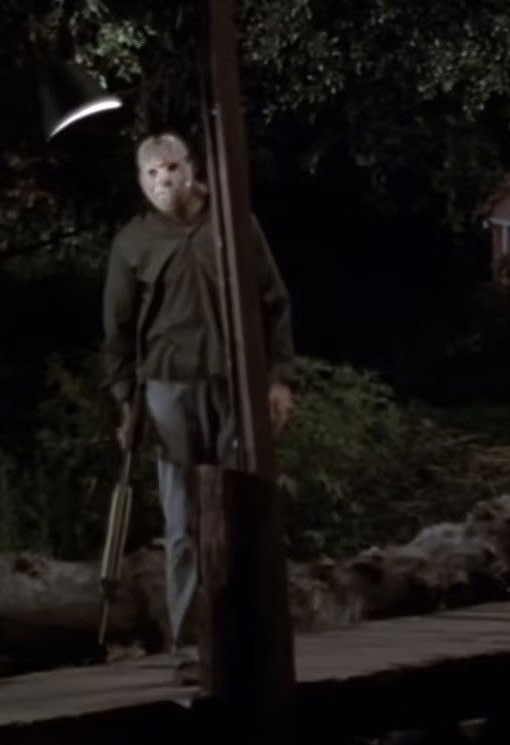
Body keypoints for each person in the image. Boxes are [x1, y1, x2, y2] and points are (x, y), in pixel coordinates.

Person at [101, 132, 297, 682]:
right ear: (140, 181)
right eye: (151, 174)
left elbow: (274, 302)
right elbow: (117, 331)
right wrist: (126, 402)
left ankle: (248, 633)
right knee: (182, 520)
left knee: (242, 506)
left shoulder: (233, 224)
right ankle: (188, 645)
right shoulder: (133, 242)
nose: (163, 182)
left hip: (234, 385)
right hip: (168, 390)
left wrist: (281, 379)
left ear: (191, 168)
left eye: (170, 168)